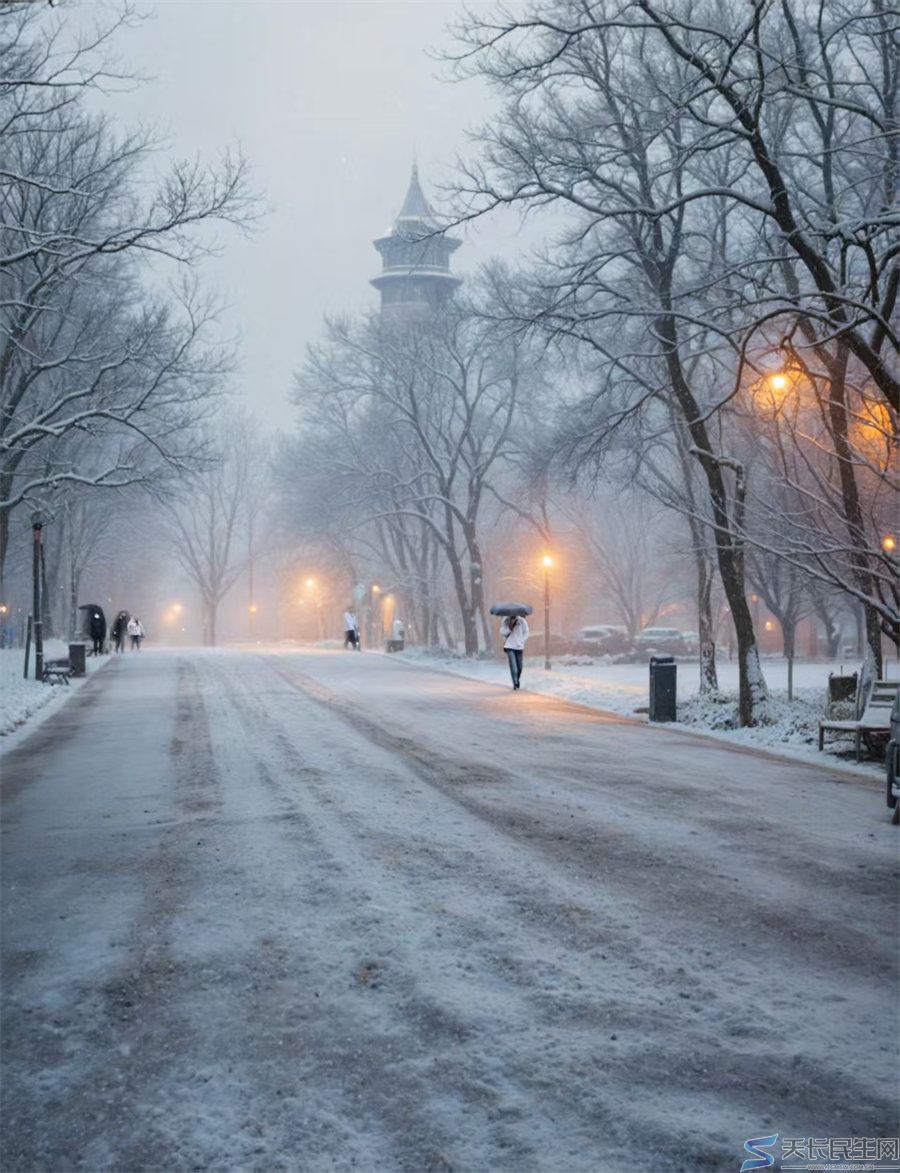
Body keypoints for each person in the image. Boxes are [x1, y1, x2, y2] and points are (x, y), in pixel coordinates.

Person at [500, 613, 529, 689]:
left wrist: (521, 641)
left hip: (519, 647)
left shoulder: (522, 621)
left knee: (520, 667)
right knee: (513, 666)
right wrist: (510, 628)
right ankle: (515, 683)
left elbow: (526, 633)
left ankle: (517, 679)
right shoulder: (506, 620)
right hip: (510, 646)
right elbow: (502, 632)